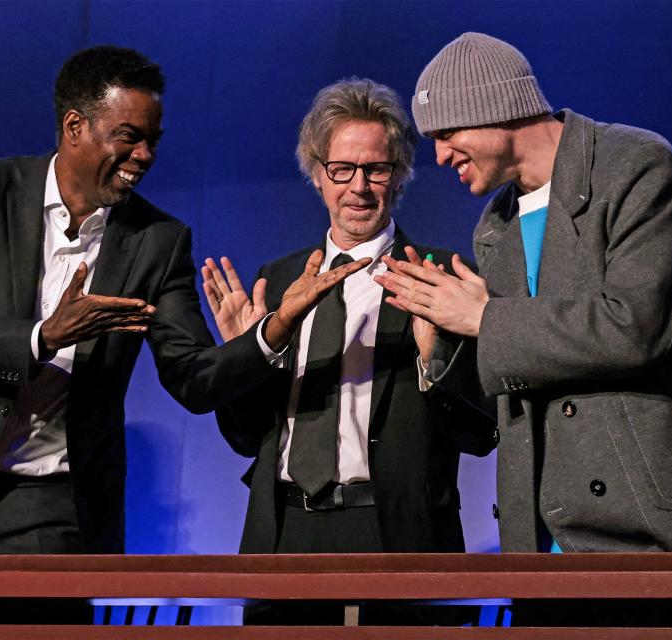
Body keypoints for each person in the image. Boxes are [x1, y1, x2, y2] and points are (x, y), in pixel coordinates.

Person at [0, 45, 364, 625]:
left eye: (153, 139)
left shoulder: (156, 240)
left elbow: (192, 378)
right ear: (75, 126)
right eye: (128, 136)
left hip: (52, 504)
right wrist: (42, 337)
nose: (143, 155)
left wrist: (273, 329)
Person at [376, 32, 672, 628]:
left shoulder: (637, 167)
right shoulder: (494, 228)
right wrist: (441, 349)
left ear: (493, 109)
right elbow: (517, 393)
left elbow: (637, 325)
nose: (440, 156)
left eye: (446, 134)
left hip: (659, 532)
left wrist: (484, 318)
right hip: (548, 544)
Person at [201, 78, 495, 626]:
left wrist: (437, 363)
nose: (358, 186)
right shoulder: (280, 279)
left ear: (399, 175)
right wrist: (246, 356)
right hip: (283, 534)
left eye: (376, 169)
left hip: (397, 534)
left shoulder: (441, 276)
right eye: (342, 169)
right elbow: (245, 439)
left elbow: (480, 435)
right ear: (317, 174)